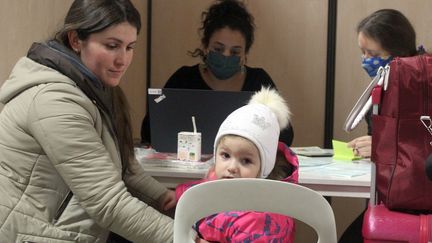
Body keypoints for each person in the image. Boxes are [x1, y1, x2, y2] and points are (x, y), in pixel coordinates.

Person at [0, 0, 176, 242]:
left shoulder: (92, 88)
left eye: (129, 47)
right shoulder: (55, 101)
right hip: (33, 234)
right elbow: (108, 203)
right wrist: (186, 238)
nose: (122, 60)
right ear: (75, 40)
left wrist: (164, 198)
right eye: (112, 46)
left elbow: (122, 167)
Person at [141, 0, 294, 147]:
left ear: (244, 55)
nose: (226, 56)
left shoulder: (259, 82)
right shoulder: (184, 79)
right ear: (206, 47)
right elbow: (150, 131)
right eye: (218, 49)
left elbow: (285, 135)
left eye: (235, 52)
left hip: (242, 169)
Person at [176, 87, 299, 243]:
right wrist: (177, 195)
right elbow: (198, 190)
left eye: (246, 161)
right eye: (225, 155)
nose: (232, 167)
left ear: (265, 167)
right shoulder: (219, 181)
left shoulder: (261, 218)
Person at [341, 9, 420, 243]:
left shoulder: (422, 85)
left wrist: (383, 146)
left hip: (416, 201)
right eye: (362, 52)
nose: (366, 60)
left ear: (398, 54)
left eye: (373, 53)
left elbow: (423, 148)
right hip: (385, 196)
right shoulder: (382, 87)